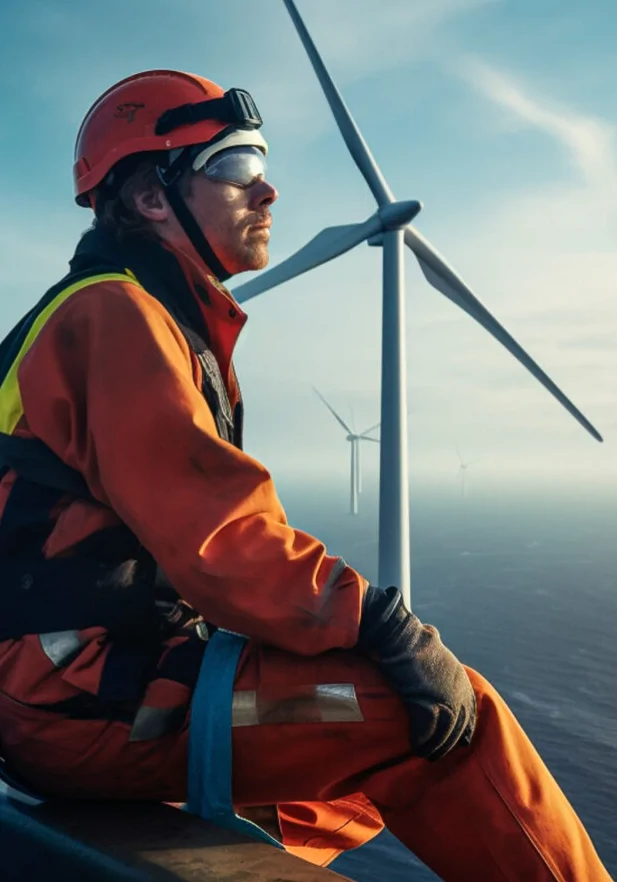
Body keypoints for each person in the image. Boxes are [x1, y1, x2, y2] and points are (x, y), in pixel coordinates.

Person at [0, 69, 611, 882]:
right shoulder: (118, 316)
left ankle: (221, 855)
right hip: (77, 699)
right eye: (236, 165)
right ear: (151, 199)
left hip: (75, 680)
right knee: (445, 716)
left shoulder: (132, 313)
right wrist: (386, 628)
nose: (269, 190)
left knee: (363, 754)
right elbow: (220, 541)